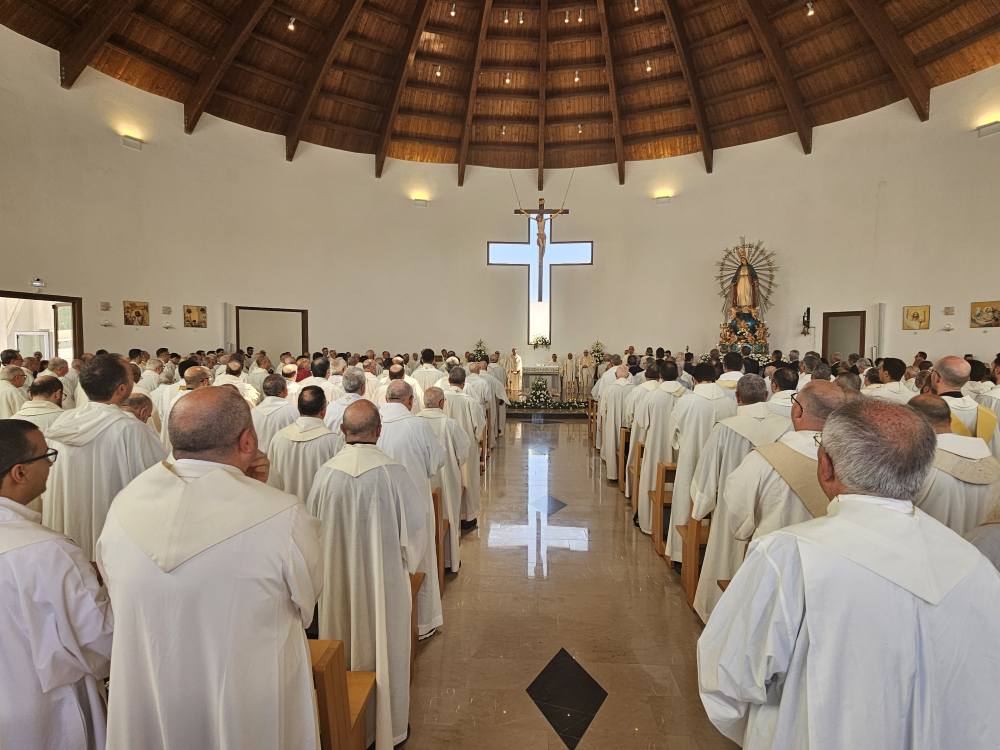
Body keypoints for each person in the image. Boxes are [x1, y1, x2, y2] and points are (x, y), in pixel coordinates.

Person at [698, 398, 1000, 748]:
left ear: (825, 465)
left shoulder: (789, 555)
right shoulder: (975, 566)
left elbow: (727, 679)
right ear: (922, 472)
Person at [97, 386, 322, 750]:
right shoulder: (283, 515)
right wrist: (255, 491)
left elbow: (116, 591)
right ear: (247, 442)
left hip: (153, 690)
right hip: (246, 697)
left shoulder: (124, 506)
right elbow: (307, 598)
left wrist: (249, 488)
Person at [306, 400, 426, 749]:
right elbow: (416, 531)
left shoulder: (326, 473)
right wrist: (406, 563)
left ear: (343, 431)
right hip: (384, 582)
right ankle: (389, 726)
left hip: (337, 581)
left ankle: (343, 726)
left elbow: (312, 532)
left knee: (340, 648)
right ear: (379, 431)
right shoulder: (393, 473)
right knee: (386, 646)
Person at [0, 420, 114, 750]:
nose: (50, 464)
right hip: (43, 714)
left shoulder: (45, 551)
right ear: (19, 472)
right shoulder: (47, 552)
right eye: (45, 455)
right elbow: (101, 640)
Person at [43, 354, 165, 559]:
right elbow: (159, 484)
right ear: (122, 389)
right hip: (113, 540)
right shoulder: (131, 430)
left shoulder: (62, 422)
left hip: (67, 535)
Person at [690, 374, 790, 621]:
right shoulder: (786, 427)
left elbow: (707, 473)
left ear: (737, 397)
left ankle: (718, 612)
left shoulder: (725, 427)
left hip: (730, 510)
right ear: (766, 395)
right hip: (774, 510)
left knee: (725, 554)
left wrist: (700, 506)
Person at [726, 381, 848, 546]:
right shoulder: (860, 462)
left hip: (775, 555)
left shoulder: (762, 461)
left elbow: (737, 514)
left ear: (798, 411)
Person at [377, 380, 444, 639]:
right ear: (409, 400)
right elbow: (436, 462)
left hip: (378, 506)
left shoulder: (371, 421)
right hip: (413, 504)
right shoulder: (418, 426)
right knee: (419, 558)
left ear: (386, 398)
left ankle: (385, 627)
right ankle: (423, 622)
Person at [909, 394, 1000, 535]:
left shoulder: (917, 464)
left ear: (912, 422)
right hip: (981, 547)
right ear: (950, 420)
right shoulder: (994, 464)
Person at [417, 387, 470, 572]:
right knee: (448, 513)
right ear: (441, 403)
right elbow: (464, 452)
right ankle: (448, 561)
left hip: (421, 480)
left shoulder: (413, 422)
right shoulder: (449, 424)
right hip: (446, 479)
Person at [635, 360, 687, 534]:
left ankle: (651, 523)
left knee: (653, 479)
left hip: (657, 447)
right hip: (681, 451)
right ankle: (675, 528)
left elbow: (641, 421)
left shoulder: (653, 396)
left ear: (660, 375)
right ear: (677, 375)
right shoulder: (688, 395)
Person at [267, 385, 342, 503]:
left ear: (298, 408)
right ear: (323, 411)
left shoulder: (278, 438)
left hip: (284, 508)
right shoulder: (333, 442)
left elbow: (271, 480)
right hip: (317, 511)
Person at [442, 367, 485, 527]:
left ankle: (447, 516)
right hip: (467, 447)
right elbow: (479, 427)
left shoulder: (441, 398)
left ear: (449, 380)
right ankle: (468, 517)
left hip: (445, 445)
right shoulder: (470, 402)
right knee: (468, 479)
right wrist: (478, 441)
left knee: (448, 479)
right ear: (464, 382)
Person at [933, 355, 999, 457]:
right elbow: (995, 454)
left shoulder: (929, 411)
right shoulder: (988, 414)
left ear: (935, 377)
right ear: (967, 379)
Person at [623, 363, 661, 500]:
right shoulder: (663, 392)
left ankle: (633, 490)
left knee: (636, 457)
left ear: (645, 375)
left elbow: (629, 414)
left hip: (640, 434)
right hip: (660, 439)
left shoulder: (637, 391)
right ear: (660, 376)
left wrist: (629, 425)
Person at [160, 365, 211, 454]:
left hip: (174, 450)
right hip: (191, 452)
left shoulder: (176, 399)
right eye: (209, 379)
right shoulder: (200, 401)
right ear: (205, 382)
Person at [598, 365, 634, 482]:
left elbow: (603, 411)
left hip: (612, 425)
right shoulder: (634, 389)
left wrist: (602, 425)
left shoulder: (609, 389)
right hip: (629, 428)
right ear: (628, 376)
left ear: (615, 376)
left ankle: (613, 473)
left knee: (613, 443)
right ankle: (628, 476)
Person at [250, 374, 298, 452]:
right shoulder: (293, 411)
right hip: (282, 456)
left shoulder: (253, 412)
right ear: (285, 391)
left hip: (258, 456)